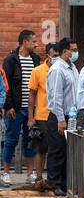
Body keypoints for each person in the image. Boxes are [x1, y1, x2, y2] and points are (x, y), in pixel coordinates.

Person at [2, 29, 38, 184]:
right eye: (33, 41)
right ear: (25, 42)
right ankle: (6, 173)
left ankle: (30, 173)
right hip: (15, 109)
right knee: (11, 140)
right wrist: (8, 106)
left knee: (30, 140)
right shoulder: (11, 60)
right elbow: (6, 84)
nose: (36, 44)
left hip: (31, 110)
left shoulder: (36, 59)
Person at [44, 39, 78, 196]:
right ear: (65, 51)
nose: (76, 52)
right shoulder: (58, 69)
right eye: (74, 49)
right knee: (57, 151)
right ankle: (54, 183)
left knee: (68, 151)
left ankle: (65, 183)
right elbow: (56, 97)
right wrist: (60, 119)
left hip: (71, 115)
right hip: (59, 116)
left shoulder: (72, 67)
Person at [26, 43, 54, 185]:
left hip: (57, 115)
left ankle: (52, 178)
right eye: (53, 54)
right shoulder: (38, 71)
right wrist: (31, 117)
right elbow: (32, 95)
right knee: (40, 148)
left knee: (55, 149)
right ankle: (38, 177)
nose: (55, 57)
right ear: (47, 55)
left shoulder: (62, 70)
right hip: (42, 115)